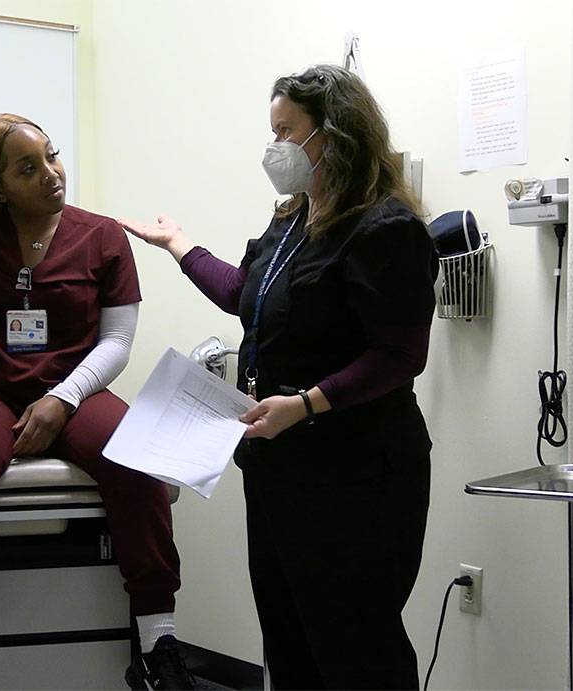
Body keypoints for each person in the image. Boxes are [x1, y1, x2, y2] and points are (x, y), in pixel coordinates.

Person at [120, 64, 438, 690]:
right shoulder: (292, 219)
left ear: (335, 132)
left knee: (355, 645)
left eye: (287, 131)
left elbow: (400, 356)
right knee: (290, 640)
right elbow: (246, 293)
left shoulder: (385, 228)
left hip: (359, 475)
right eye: (272, 132)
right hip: (279, 471)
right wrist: (179, 245)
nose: (275, 148)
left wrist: (307, 403)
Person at [0, 113, 194, 691]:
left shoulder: (101, 235)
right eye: (28, 167)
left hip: (77, 386)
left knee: (139, 456)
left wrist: (63, 397)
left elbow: (117, 342)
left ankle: (157, 642)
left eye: (52, 155)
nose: (51, 173)